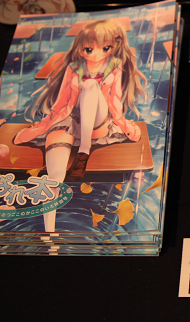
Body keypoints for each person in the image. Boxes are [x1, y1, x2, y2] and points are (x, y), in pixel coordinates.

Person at [14, 19, 146, 232]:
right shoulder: (73, 68)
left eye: (105, 48)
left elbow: (114, 101)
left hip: (98, 123)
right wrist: (43, 126)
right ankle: (49, 234)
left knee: (91, 85)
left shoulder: (114, 66)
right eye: (89, 49)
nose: (96, 54)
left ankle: (84, 151)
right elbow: (61, 103)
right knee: (55, 175)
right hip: (70, 121)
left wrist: (123, 123)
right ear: (80, 48)